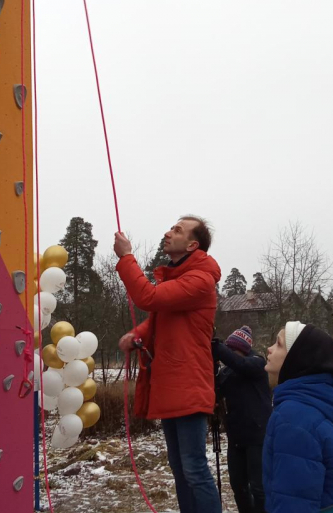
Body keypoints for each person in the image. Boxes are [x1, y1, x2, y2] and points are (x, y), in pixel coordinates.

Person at [114, 216, 222, 513]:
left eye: (177, 230)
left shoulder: (199, 280)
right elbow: (159, 320)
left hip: (188, 386)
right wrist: (137, 334)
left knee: (194, 470)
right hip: (172, 385)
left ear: (192, 244)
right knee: (181, 470)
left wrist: (126, 257)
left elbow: (147, 297)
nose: (167, 232)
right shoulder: (178, 279)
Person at [262, 321, 333, 513]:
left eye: (278, 344)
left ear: (296, 359)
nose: (269, 349)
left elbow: (293, 503)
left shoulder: (295, 417)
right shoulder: (315, 407)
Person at [213, 325, 272, 513]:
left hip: (258, 435)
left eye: (232, 350)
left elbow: (240, 364)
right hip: (236, 437)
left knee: (258, 487)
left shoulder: (257, 363)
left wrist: (217, 347)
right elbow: (214, 391)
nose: (230, 354)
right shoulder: (226, 373)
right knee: (238, 486)